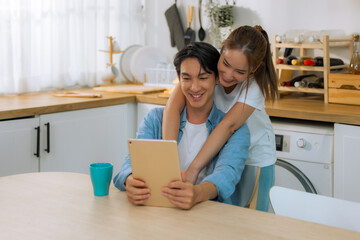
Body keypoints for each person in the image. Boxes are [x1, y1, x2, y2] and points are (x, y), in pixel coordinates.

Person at [113, 42, 250, 209]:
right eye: (186, 78)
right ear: (178, 78)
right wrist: (129, 181)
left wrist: (197, 193)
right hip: (160, 212)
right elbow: (129, 165)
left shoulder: (236, 131)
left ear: (216, 78)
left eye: (203, 77)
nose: (194, 87)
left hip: (209, 216)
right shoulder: (155, 119)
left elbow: (227, 176)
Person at [162, 25, 278, 212]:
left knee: (252, 225)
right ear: (222, 48)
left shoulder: (254, 86)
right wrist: (168, 161)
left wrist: (193, 170)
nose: (228, 75)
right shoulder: (209, 62)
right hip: (222, 158)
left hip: (253, 160)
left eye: (240, 72)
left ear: (254, 69)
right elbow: (173, 107)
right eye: (225, 64)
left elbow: (228, 126)